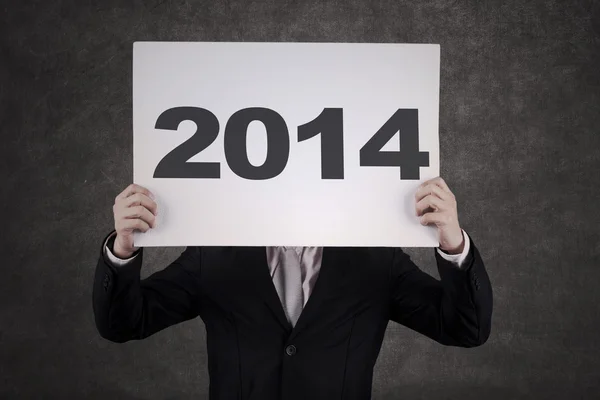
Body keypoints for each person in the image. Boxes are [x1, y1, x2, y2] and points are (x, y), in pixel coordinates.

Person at [93, 176, 493, 400]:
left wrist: (453, 242)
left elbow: (465, 328)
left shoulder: (374, 259)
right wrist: (124, 245)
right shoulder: (214, 253)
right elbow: (125, 323)